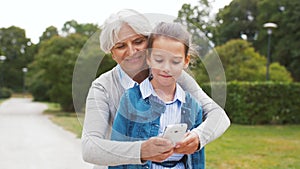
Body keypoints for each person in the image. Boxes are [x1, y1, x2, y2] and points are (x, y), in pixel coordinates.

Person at [82, 9, 230, 168]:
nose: (132, 51)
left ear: (149, 42)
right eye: (121, 46)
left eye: (138, 41)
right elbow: (90, 148)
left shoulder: (172, 75)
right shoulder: (102, 87)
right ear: (112, 54)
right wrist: (141, 151)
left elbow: (219, 116)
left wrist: (199, 136)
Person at [110, 22, 205, 169]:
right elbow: (117, 152)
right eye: (159, 60)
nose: (166, 68)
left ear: (186, 61)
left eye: (175, 61)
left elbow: (197, 159)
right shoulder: (131, 99)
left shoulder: (194, 106)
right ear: (148, 58)